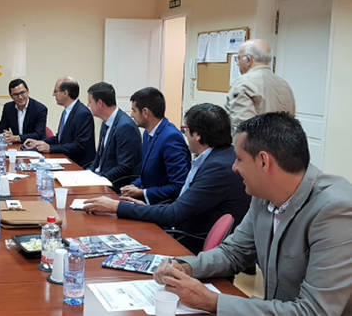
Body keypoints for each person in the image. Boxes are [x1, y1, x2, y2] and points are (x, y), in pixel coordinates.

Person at [153, 112, 352, 314]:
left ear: (264, 162)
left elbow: (314, 311)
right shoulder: (264, 193)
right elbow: (234, 252)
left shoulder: (336, 212)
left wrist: (212, 302)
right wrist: (186, 267)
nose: (234, 167)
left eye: (239, 159)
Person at [83, 103, 250, 254]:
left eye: (185, 129)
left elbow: (175, 214)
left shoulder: (218, 168)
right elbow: (186, 203)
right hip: (181, 229)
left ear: (197, 135)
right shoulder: (216, 157)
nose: (183, 133)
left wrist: (117, 206)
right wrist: (143, 205)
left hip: (188, 244)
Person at [120, 87, 191, 204]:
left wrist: (143, 193)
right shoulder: (148, 134)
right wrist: (133, 186)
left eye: (134, 110)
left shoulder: (171, 138)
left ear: (145, 112)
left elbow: (178, 186)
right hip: (146, 198)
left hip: (161, 206)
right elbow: (147, 177)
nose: (131, 115)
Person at [225, 39, 295, 133]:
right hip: (283, 145)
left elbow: (243, 130)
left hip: (255, 146)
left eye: (238, 59)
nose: (238, 64)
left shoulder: (243, 84)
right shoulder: (284, 84)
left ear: (248, 59)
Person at [23, 76, 95, 167]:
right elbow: (60, 139)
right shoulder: (66, 111)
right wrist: (39, 142)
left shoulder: (83, 113)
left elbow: (79, 146)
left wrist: (50, 148)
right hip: (66, 160)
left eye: (56, 91)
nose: (53, 94)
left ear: (65, 93)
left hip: (78, 165)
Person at [85, 81, 142, 188]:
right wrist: (88, 174)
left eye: (90, 102)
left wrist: (99, 180)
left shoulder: (125, 127)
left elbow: (125, 167)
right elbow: (99, 158)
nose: (88, 105)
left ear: (100, 103)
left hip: (114, 184)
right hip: (100, 178)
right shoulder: (106, 121)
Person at [0, 78, 48, 143]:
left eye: (22, 92)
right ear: (11, 96)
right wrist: (4, 135)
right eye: (16, 95)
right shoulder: (8, 108)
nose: (20, 97)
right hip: (16, 147)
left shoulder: (40, 109)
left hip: (35, 147)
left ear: (28, 91)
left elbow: (39, 134)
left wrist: (16, 138)